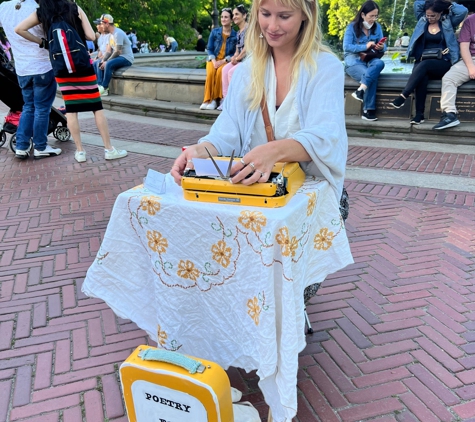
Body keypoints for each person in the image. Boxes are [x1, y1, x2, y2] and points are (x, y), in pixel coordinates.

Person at [172, 0, 347, 210]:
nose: (272, 26)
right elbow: (227, 132)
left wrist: (274, 151)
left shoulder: (326, 68)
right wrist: (202, 150)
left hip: (306, 207)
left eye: (284, 16)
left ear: (306, 14)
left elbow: (326, 137)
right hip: (256, 202)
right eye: (265, 14)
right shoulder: (245, 72)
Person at [15, 0, 128, 163]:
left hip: (61, 67)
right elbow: (90, 36)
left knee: (71, 109)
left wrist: (43, 42)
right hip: (81, 63)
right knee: (96, 107)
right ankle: (109, 149)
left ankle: (80, 152)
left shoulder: (42, 11)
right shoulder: (74, 7)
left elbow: (19, 29)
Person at [0, 0, 61, 159]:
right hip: (42, 66)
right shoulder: (39, 8)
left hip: (22, 67)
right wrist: (42, 42)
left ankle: (22, 146)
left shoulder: (4, 7)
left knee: (28, 106)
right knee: (42, 108)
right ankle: (40, 146)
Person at [389, 0, 467, 124]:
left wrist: (447, 2)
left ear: (440, 13)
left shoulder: (448, 21)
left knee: (424, 65)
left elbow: (463, 11)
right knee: (422, 77)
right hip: (422, 60)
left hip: (443, 61)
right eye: (428, 15)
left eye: (433, 16)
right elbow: (417, 4)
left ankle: (403, 95)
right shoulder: (422, 20)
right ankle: (419, 115)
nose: (429, 18)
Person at [343, 1, 386, 122]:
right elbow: (347, 47)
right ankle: (368, 110)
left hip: (370, 59)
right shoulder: (352, 27)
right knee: (371, 75)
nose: (374, 19)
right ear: (363, 15)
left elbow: (384, 46)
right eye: (371, 16)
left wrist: (381, 47)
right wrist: (365, 46)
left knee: (380, 63)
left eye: (376, 16)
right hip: (354, 60)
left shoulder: (377, 27)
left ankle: (360, 90)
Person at [433, 13, 475, 130]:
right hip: (470, 59)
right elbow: (464, 47)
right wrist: (471, 67)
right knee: (449, 78)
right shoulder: (470, 21)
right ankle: (449, 114)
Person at [199, 8, 237, 110]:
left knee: (221, 71)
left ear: (231, 20)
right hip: (213, 59)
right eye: (222, 17)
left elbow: (234, 53)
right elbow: (209, 48)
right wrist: (214, 61)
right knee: (211, 73)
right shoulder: (215, 32)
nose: (223, 19)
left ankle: (216, 100)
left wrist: (224, 61)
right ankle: (207, 100)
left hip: (225, 61)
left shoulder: (235, 35)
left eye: (226, 17)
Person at [95, 14, 134, 97]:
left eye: (102, 24)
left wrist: (107, 61)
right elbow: (108, 51)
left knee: (108, 64)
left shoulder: (117, 33)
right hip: (119, 57)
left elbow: (118, 51)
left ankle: (104, 88)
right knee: (100, 63)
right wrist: (103, 60)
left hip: (126, 58)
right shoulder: (110, 35)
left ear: (107, 24)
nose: (101, 26)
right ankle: (99, 85)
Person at [218, 4, 248, 111]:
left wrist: (238, 58)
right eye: (233, 14)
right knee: (225, 70)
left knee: (231, 72)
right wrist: (235, 56)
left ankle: (235, 102)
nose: (234, 16)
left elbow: (248, 47)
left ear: (244, 15)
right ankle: (226, 100)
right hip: (240, 59)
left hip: (248, 60)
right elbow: (237, 48)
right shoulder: (239, 32)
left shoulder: (248, 29)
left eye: (237, 14)